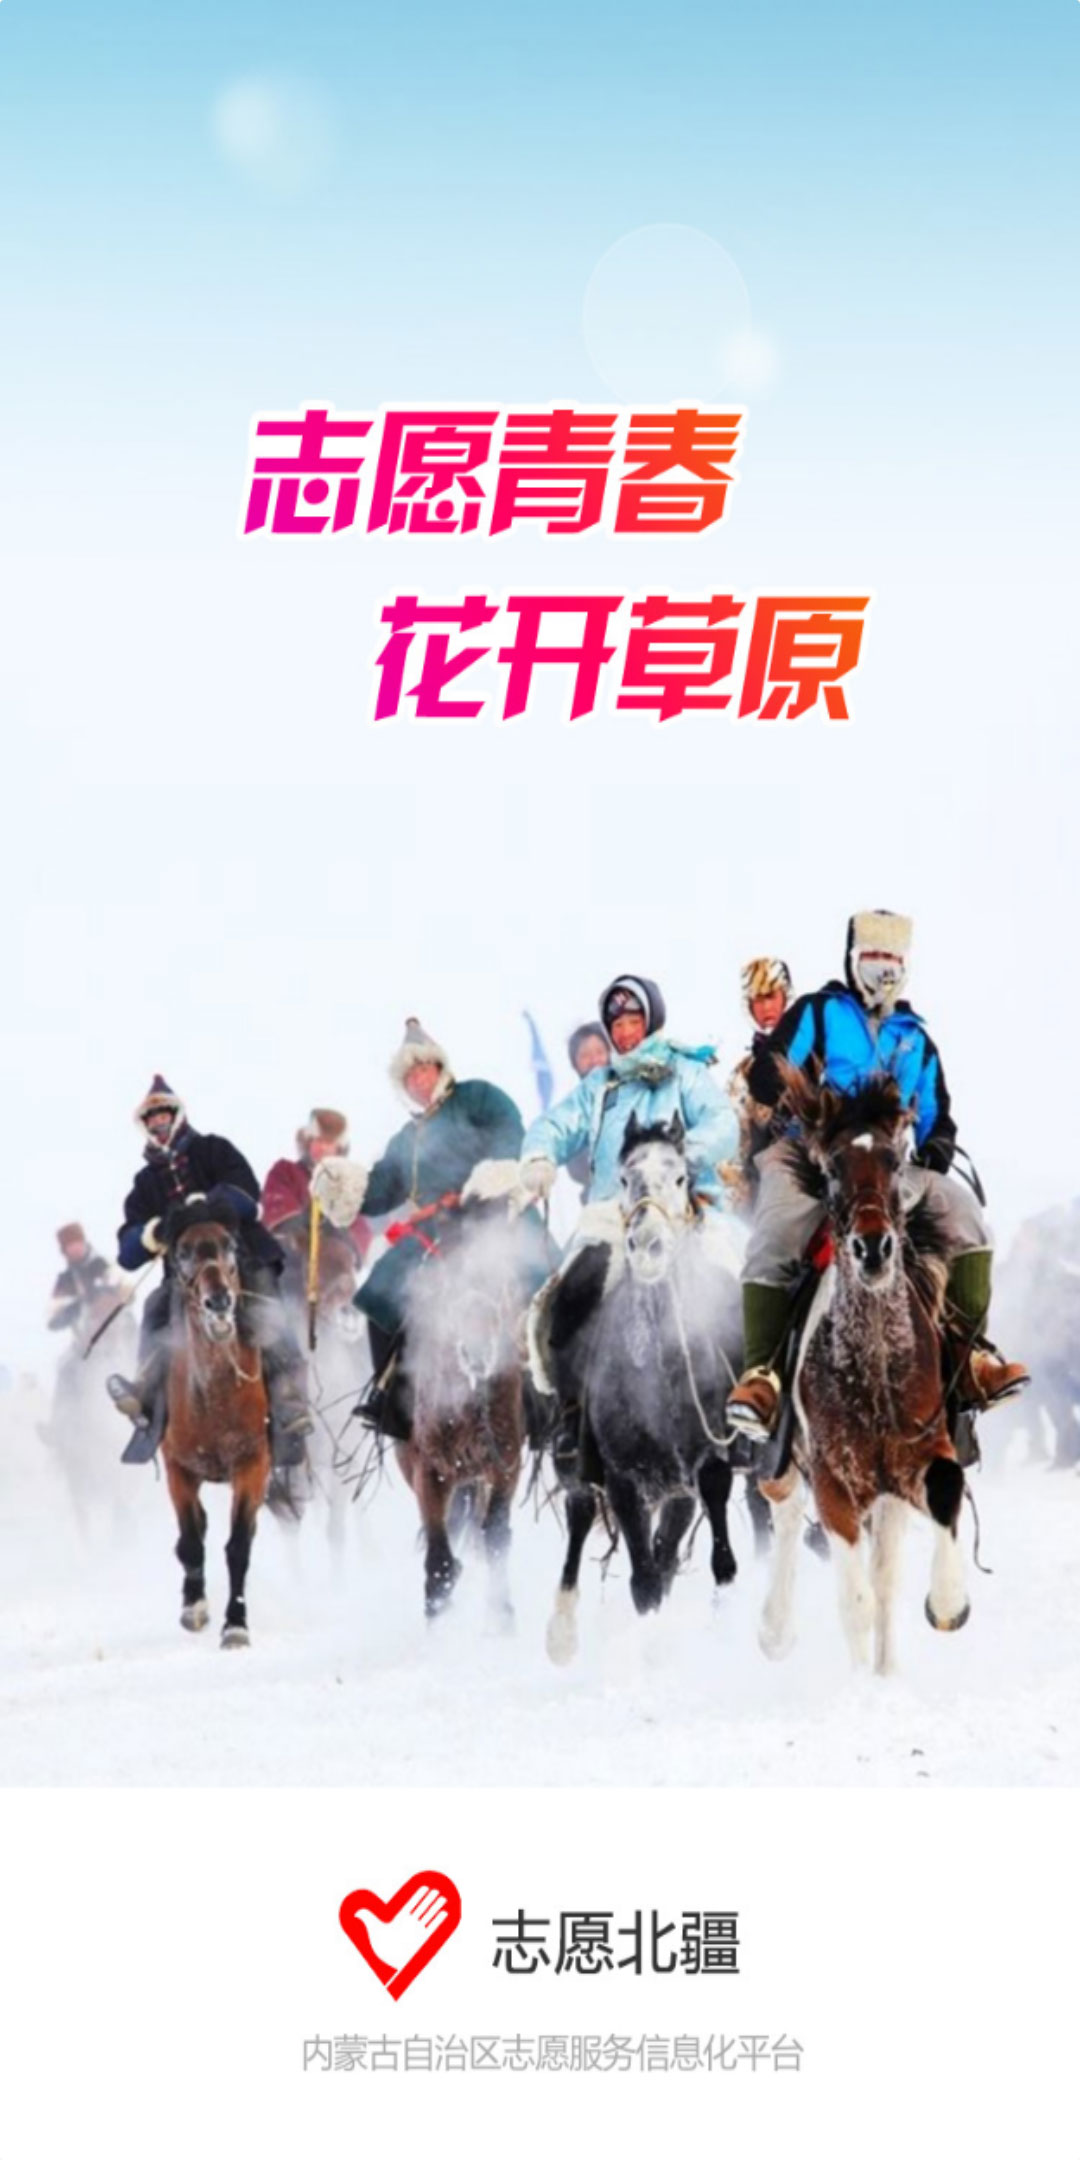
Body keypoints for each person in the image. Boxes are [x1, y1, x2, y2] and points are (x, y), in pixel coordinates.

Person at [725, 911, 1029, 1449]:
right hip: (808, 1151)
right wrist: (791, 1085)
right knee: (776, 1228)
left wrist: (936, 1145)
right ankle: (762, 1376)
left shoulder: (915, 1038)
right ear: (853, 960)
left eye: (892, 960)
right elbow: (771, 1072)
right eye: (872, 958)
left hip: (885, 1163)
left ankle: (972, 1355)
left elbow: (935, 1115)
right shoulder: (820, 1011)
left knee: (965, 1215)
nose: (882, 970)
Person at [312, 1020, 552, 1432]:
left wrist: (482, 1187)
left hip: (493, 1213)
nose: (418, 1081)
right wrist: (346, 1189)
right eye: (409, 1077)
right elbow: (382, 1188)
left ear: (439, 1068)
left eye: (423, 1070)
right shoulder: (407, 1138)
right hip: (436, 1231)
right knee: (380, 1290)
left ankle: (550, 1396)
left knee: (543, 1279)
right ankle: (390, 1395)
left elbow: (509, 1130)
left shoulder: (478, 1097)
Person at [106, 1076, 313, 1464]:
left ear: (177, 1115)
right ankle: (146, 1394)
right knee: (154, 1307)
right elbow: (127, 1251)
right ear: (144, 1125)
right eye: (151, 1118)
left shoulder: (214, 1149)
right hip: (185, 1277)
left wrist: (205, 1204)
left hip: (242, 1258)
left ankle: (289, 1395)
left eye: (164, 1114)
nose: (158, 1122)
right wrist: (152, 1233)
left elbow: (247, 1196)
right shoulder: (145, 1183)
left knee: (266, 1301)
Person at [518, 974, 737, 1217]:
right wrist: (539, 1156)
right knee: (582, 1243)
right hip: (612, 1215)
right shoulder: (600, 1086)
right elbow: (557, 1123)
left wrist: (677, 1155)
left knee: (730, 1239)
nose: (626, 1033)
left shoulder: (685, 1072)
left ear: (651, 1021)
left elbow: (722, 1122)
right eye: (618, 1025)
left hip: (688, 1209)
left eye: (634, 1021)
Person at [263, 1108, 372, 1302]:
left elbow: (359, 1225)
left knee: (338, 1268)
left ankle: (344, 1311)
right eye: (318, 1142)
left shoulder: (346, 1183)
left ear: (338, 1149)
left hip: (334, 1261)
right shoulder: (286, 1171)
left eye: (328, 1144)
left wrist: (339, 1234)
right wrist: (298, 1228)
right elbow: (276, 1201)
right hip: (292, 1258)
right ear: (308, 1143)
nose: (322, 1148)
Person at [724, 958, 794, 1214]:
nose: (766, 1007)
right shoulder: (742, 1075)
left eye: (771, 996)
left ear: (786, 997)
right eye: (757, 999)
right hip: (767, 1198)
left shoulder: (819, 1055)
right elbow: (733, 1150)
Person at [47, 1224, 131, 1351]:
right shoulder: (65, 1281)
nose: (75, 1248)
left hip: (121, 1333)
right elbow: (52, 1318)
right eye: (70, 1245)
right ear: (64, 1250)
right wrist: (74, 1308)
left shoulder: (103, 1265)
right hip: (85, 1343)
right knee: (67, 1362)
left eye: (77, 1243)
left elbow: (127, 1291)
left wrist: (107, 1294)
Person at [564, 1023, 612, 1192]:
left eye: (599, 1052)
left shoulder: (633, 1090)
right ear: (575, 1063)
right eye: (585, 1055)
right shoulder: (574, 1109)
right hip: (599, 1195)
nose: (594, 1060)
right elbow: (575, 1167)